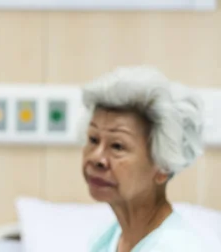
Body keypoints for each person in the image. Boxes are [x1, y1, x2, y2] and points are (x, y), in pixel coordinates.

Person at [81, 66, 206, 252]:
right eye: (93, 139)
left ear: (163, 166)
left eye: (117, 146)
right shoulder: (106, 240)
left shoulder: (177, 247)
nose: (96, 158)